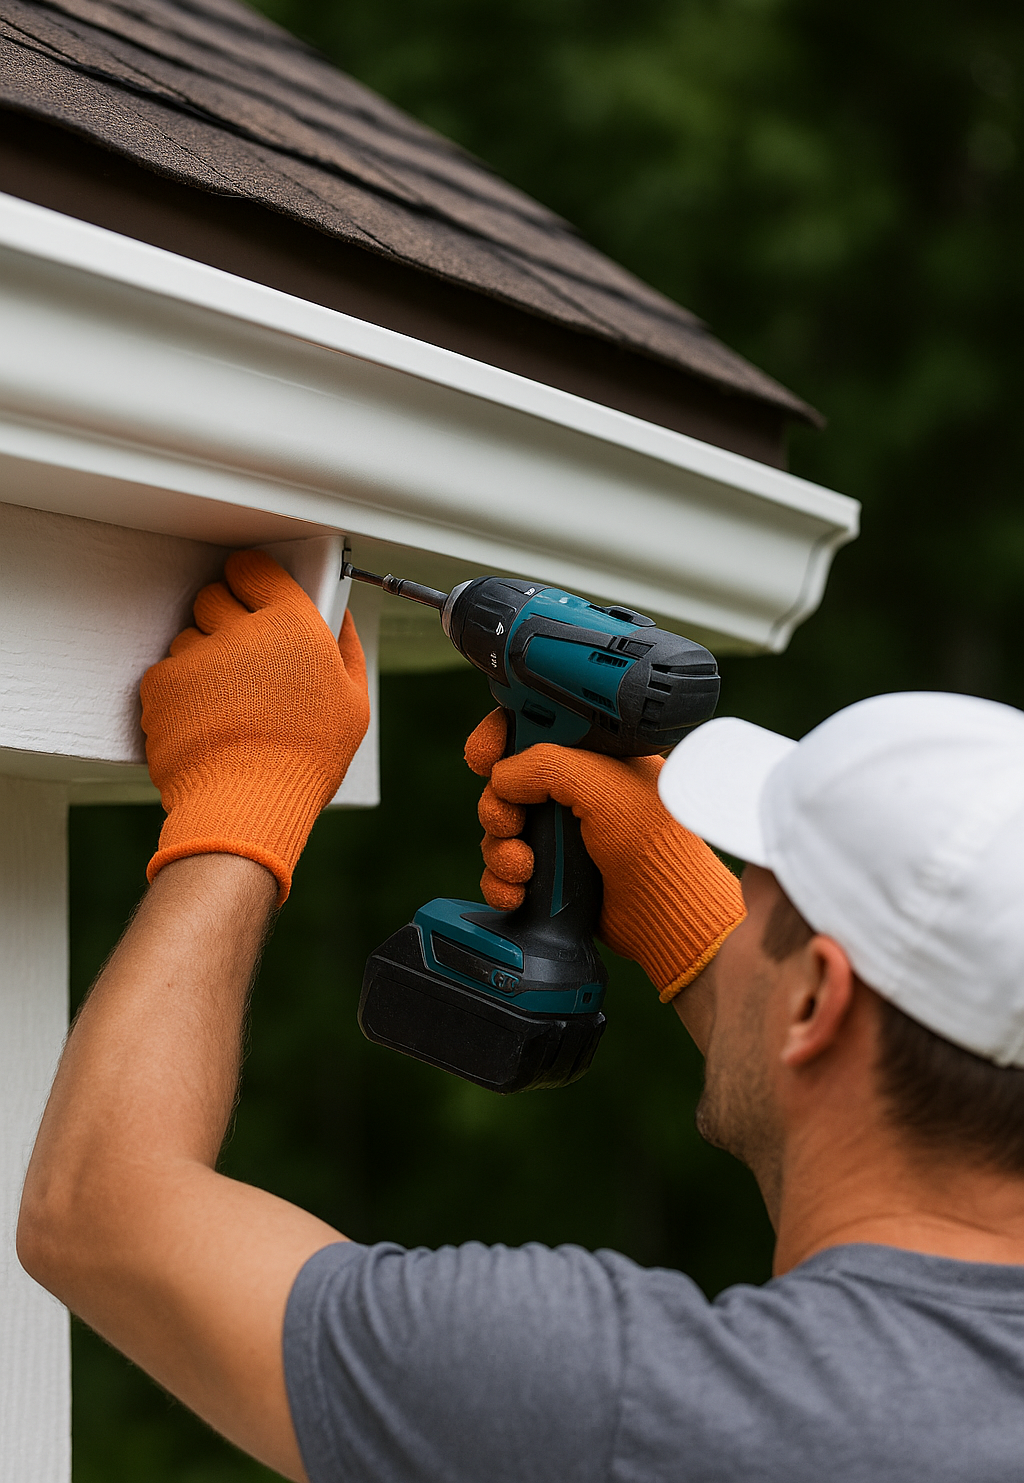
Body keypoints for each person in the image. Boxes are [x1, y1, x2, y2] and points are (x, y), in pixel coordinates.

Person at [18, 550, 1024, 1483]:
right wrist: (686, 920)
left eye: (752, 883)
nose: (729, 892)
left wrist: (240, 803)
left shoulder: (649, 1412)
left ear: (813, 1001)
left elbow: (95, 1212)